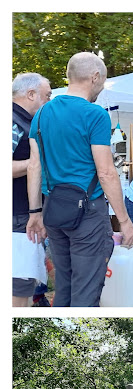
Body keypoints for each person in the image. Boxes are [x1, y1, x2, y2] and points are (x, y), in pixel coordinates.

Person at [26, 52, 133, 307]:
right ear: (95, 77)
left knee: (64, 284)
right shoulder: (95, 114)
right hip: (88, 214)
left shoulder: (42, 114)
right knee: (86, 290)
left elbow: (35, 166)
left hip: (54, 210)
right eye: (103, 80)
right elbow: (106, 172)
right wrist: (124, 221)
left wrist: (36, 212)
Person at [12, 72, 51, 307]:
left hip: (21, 215)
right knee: (19, 282)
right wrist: (37, 163)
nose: (48, 103)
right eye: (46, 96)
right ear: (30, 94)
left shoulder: (24, 122)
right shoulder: (13, 122)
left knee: (24, 284)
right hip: (17, 217)